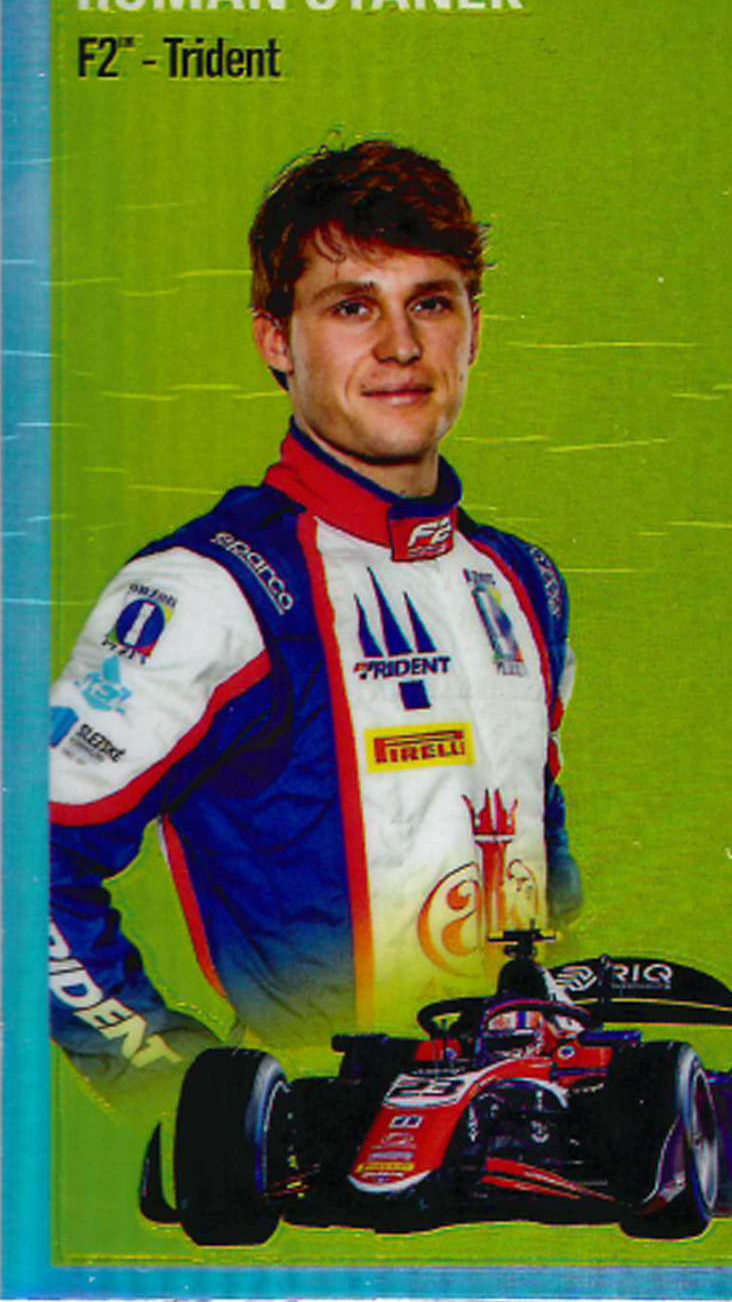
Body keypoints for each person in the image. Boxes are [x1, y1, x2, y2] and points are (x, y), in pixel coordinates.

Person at [49, 140, 581, 1094]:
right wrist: (167, 1083)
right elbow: (30, 857)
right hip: (326, 1144)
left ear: (473, 331)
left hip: (528, 1123)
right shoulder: (211, 588)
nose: (400, 347)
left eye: (431, 303)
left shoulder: (522, 579)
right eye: (351, 307)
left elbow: (540, 836)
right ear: (275, 340)